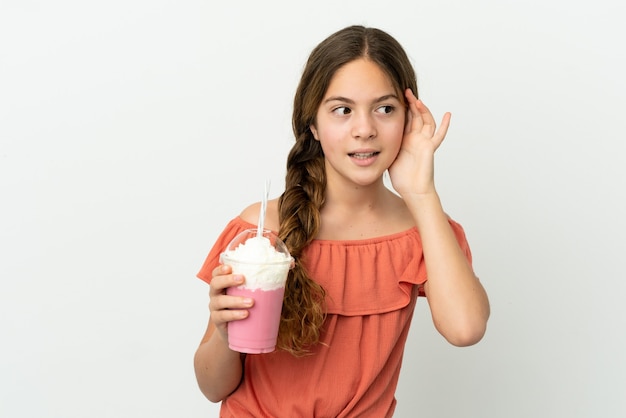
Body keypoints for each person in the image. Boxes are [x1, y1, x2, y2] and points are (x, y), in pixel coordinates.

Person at [193, 25, 490, 417]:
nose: (364, 129)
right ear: (313, 124)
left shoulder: (423, 230)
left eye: (385, 109)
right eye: (342, 110)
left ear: (408, 119)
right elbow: (213, 388)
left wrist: (422, 194)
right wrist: (222, 331)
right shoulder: (259, 234)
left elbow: (465, 329)